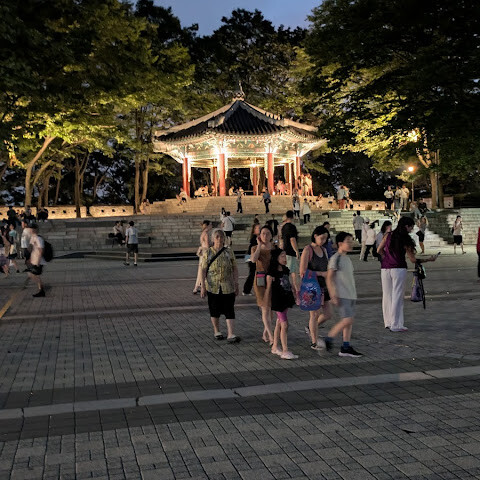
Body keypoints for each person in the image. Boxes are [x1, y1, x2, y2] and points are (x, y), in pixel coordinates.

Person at [377, 216, 438, 332]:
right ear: (406, 226)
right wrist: (429, 259)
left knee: (387, 295)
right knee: (397, 295)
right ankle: (396, 324)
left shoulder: (388, 235)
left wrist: (387, 259)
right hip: (399, 268)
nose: (412, 230)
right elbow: (413, 259)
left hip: (385, 268)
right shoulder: (405, 239)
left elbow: (379, 250)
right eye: (411, 227)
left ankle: (388, 322)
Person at [324, 232, 362, 357]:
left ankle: (346, 346)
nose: (351, 244)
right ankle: (329, 337)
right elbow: (329, 277)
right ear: (340, 243)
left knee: (348, 322)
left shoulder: (347, 259)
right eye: (348, 241)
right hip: (342, 294)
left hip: (351, 294)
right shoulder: (336, 258)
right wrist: (333, 294)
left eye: (351, 241)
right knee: (348, 319)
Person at [200, 229, 241, 343]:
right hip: (213, 286)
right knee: (214, 309)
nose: (219, 239)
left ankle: (230, 334)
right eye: (217, 237)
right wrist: (202, 286)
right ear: (213, 239)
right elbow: (203, 270)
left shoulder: (229, 251)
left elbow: (235, 268)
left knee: (229, 309)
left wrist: (236, 283)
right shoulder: (208, 252)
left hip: (228, 285)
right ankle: (217, 331)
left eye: (221, 236)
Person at [300, 226, 332, 350]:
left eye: (325, 239)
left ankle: (311, 328)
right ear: (315, 236)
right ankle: (314, 341)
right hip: (312, 286)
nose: (323, 241)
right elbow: (302, 271)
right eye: (322, 238)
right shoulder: (308, 250)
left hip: (324, 285)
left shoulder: (323, 250)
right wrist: (321, 273)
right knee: (314, 314)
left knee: (328, 314)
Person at [266, 249, 298, 360]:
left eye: (285, 256)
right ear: (276, 258)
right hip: (278, 301)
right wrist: (267, 301)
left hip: (286, 298)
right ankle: (285, 350)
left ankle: (275, 346)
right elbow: (268, 288)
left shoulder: (285, 269)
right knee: (284, 325)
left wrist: (294, 290)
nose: (285, 259)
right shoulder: (272, 272)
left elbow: (288, 282)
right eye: (282, 256)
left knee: (279, 323)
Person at [251, 225, 275, 345]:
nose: (265, 236)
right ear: (259, 235)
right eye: (263, 233)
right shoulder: (255, 248)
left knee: (271, 310)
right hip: (260, 281)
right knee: (265, 308)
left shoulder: (275, 248)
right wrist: (259, 246)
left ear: (271, 235)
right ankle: (271, 336)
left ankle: (265, 332)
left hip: (273, 280)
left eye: (267, 233)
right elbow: (253, 259)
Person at [281, 211, 300, 294]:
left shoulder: (284, 227)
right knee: (293, 273)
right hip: (291, 252)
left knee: (288, 272)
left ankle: (291, 289)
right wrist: (296, 251)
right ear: (293, 216)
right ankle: (296, 290)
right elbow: (292, 239)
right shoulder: (292, 227)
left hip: (285, 251)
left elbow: (282, 239)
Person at [193, 220, 212, 294]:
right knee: (205, 270)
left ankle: (197, 287)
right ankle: (202, 286)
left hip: (202, 253)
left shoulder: (203, 233)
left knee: (201, 269)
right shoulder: (206, 234)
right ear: (207, 226)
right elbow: (207, 245)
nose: (211, 226)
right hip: (206, 253)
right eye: (210, 225)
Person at [243, 223, 260, 296]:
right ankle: (246, 290)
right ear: (254, 230)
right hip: (250, 257)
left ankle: (247, 290)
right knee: (252, 273)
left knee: (253, 273)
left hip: (250, 256)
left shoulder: (257, 237)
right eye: (258, 228)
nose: (260, 229)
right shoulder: (254, 238)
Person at [28, 224, 46, 297]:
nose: (29, 230)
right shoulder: (33, 238)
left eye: (31, 229)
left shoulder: (38, 238)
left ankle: (41, 290)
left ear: (34, 229)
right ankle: (41, 289)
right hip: (34, 260)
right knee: (33, 275)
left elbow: (41, 250)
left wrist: (38, 261)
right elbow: (33, 249)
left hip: (38, 261)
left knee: (34, 275)